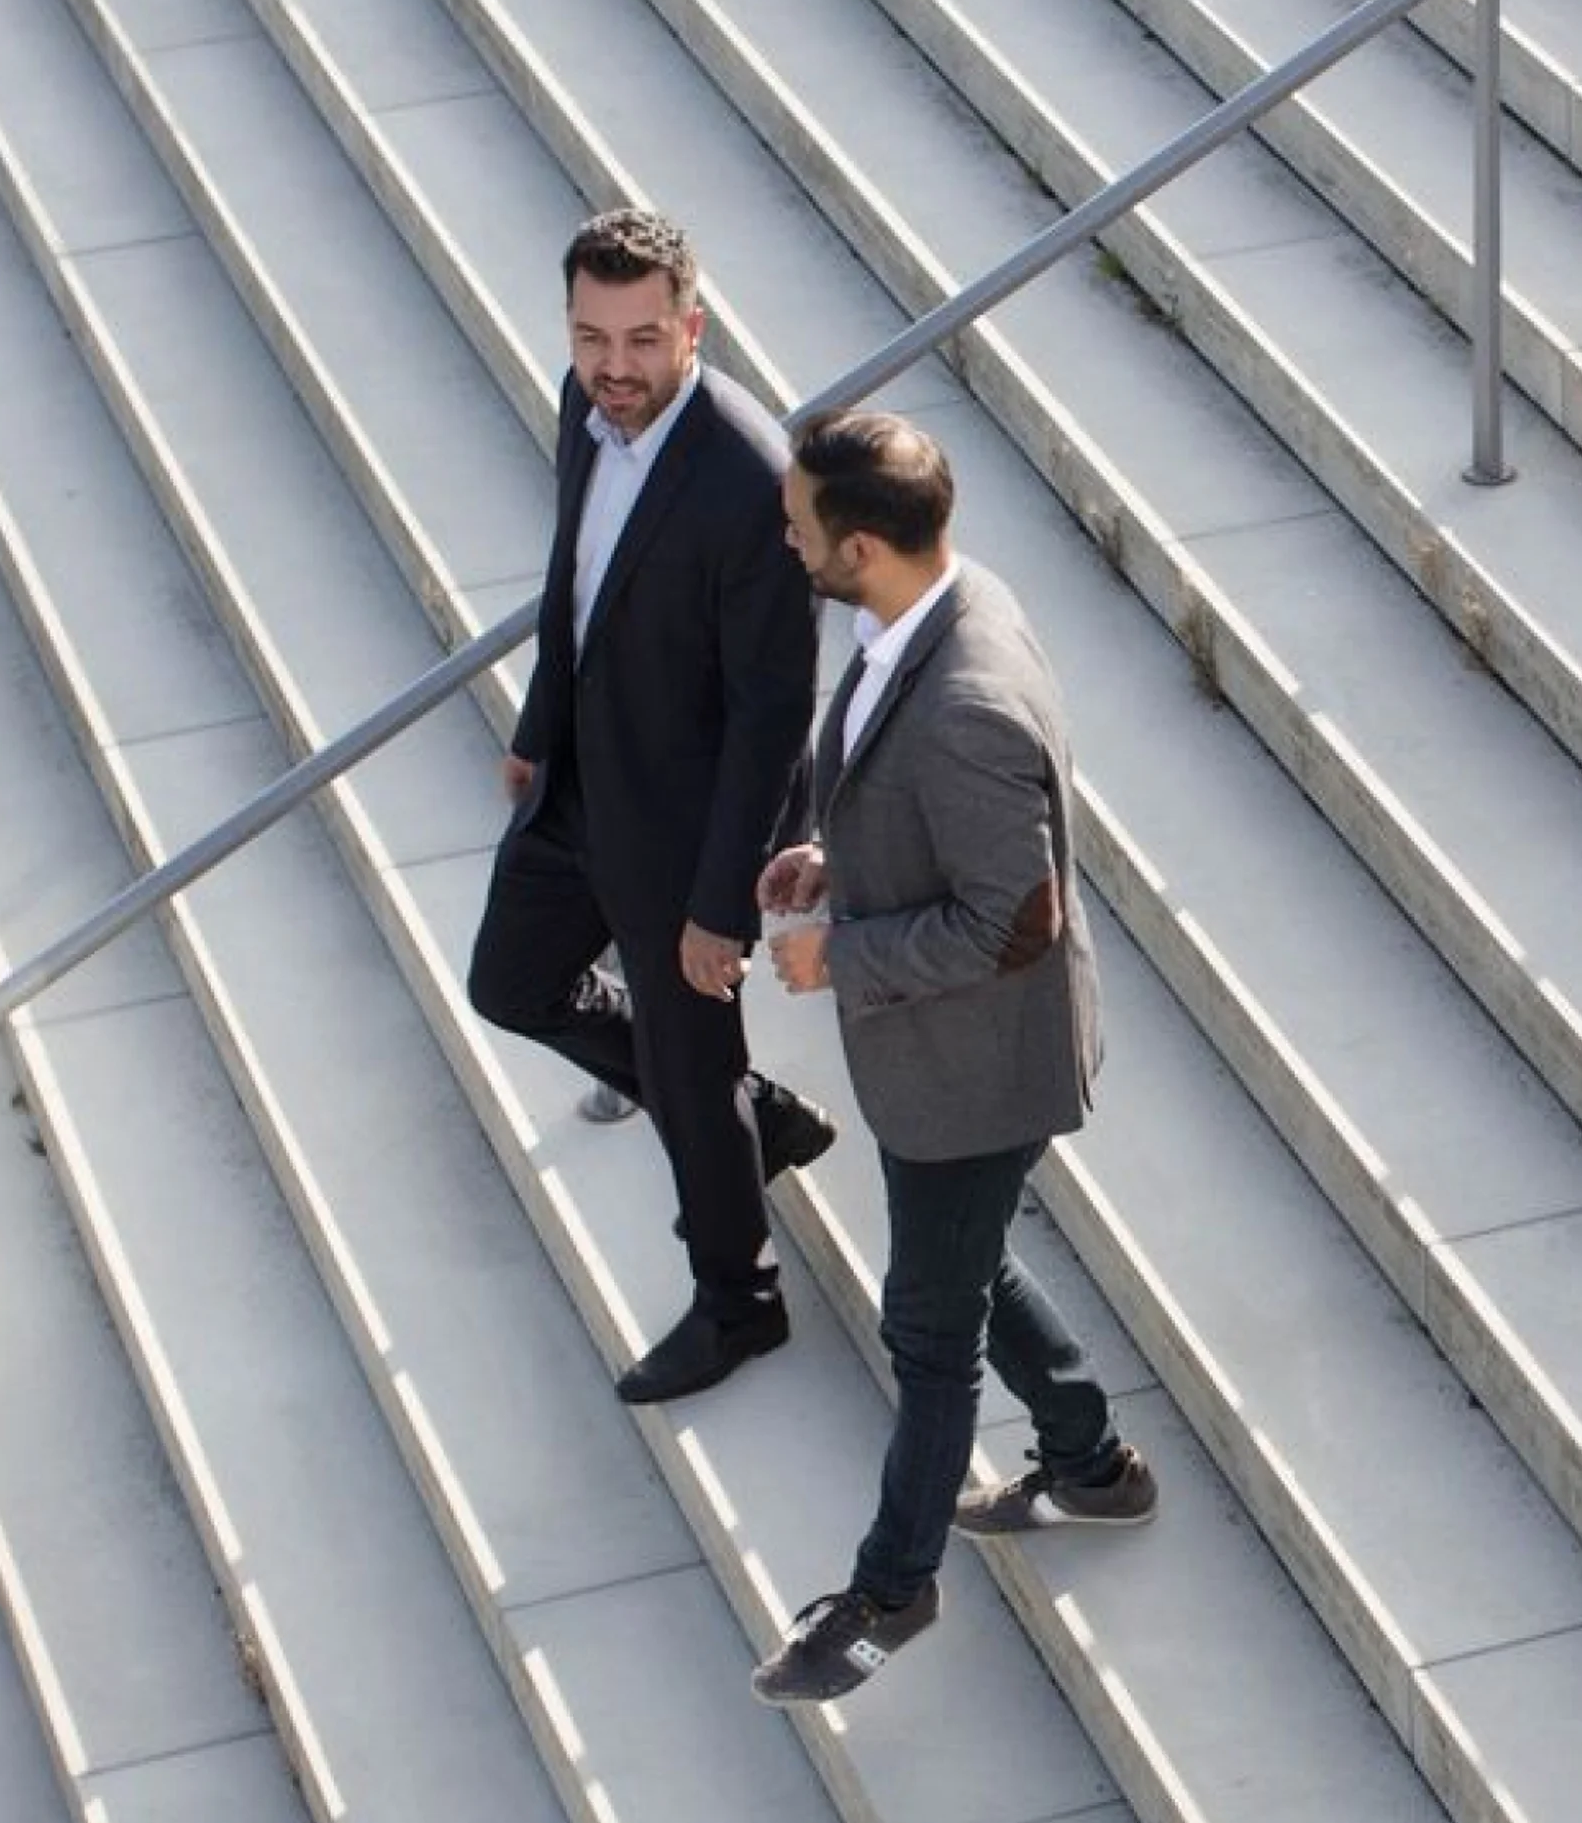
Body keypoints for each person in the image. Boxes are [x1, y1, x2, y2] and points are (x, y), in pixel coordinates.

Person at [748, 410, 1155, 1709]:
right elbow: (912, 802)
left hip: (981, 1068)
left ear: (860, 545)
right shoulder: (937, 599)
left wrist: (839, 956)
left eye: (801, 521)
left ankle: (890, 1591)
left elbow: (1016, 919)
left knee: (926, 1328)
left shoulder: (968, 701)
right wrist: (838, 859)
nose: (787, 533)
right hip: (951, 1064)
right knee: (962, 1264)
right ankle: (1091, 1462)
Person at [467, 209, 833, 1406]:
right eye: (588, 338)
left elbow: (775, 714)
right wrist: (535, 733)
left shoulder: (748, 481)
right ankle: (750, 1118)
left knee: (689, 1062)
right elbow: (571, 576)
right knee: (509, 983)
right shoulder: (588, 407)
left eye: (639, 340)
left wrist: (722, 900)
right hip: (578, 782)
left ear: (692, 326)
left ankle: (743, 1302)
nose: (612, 368)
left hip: (684, 827)